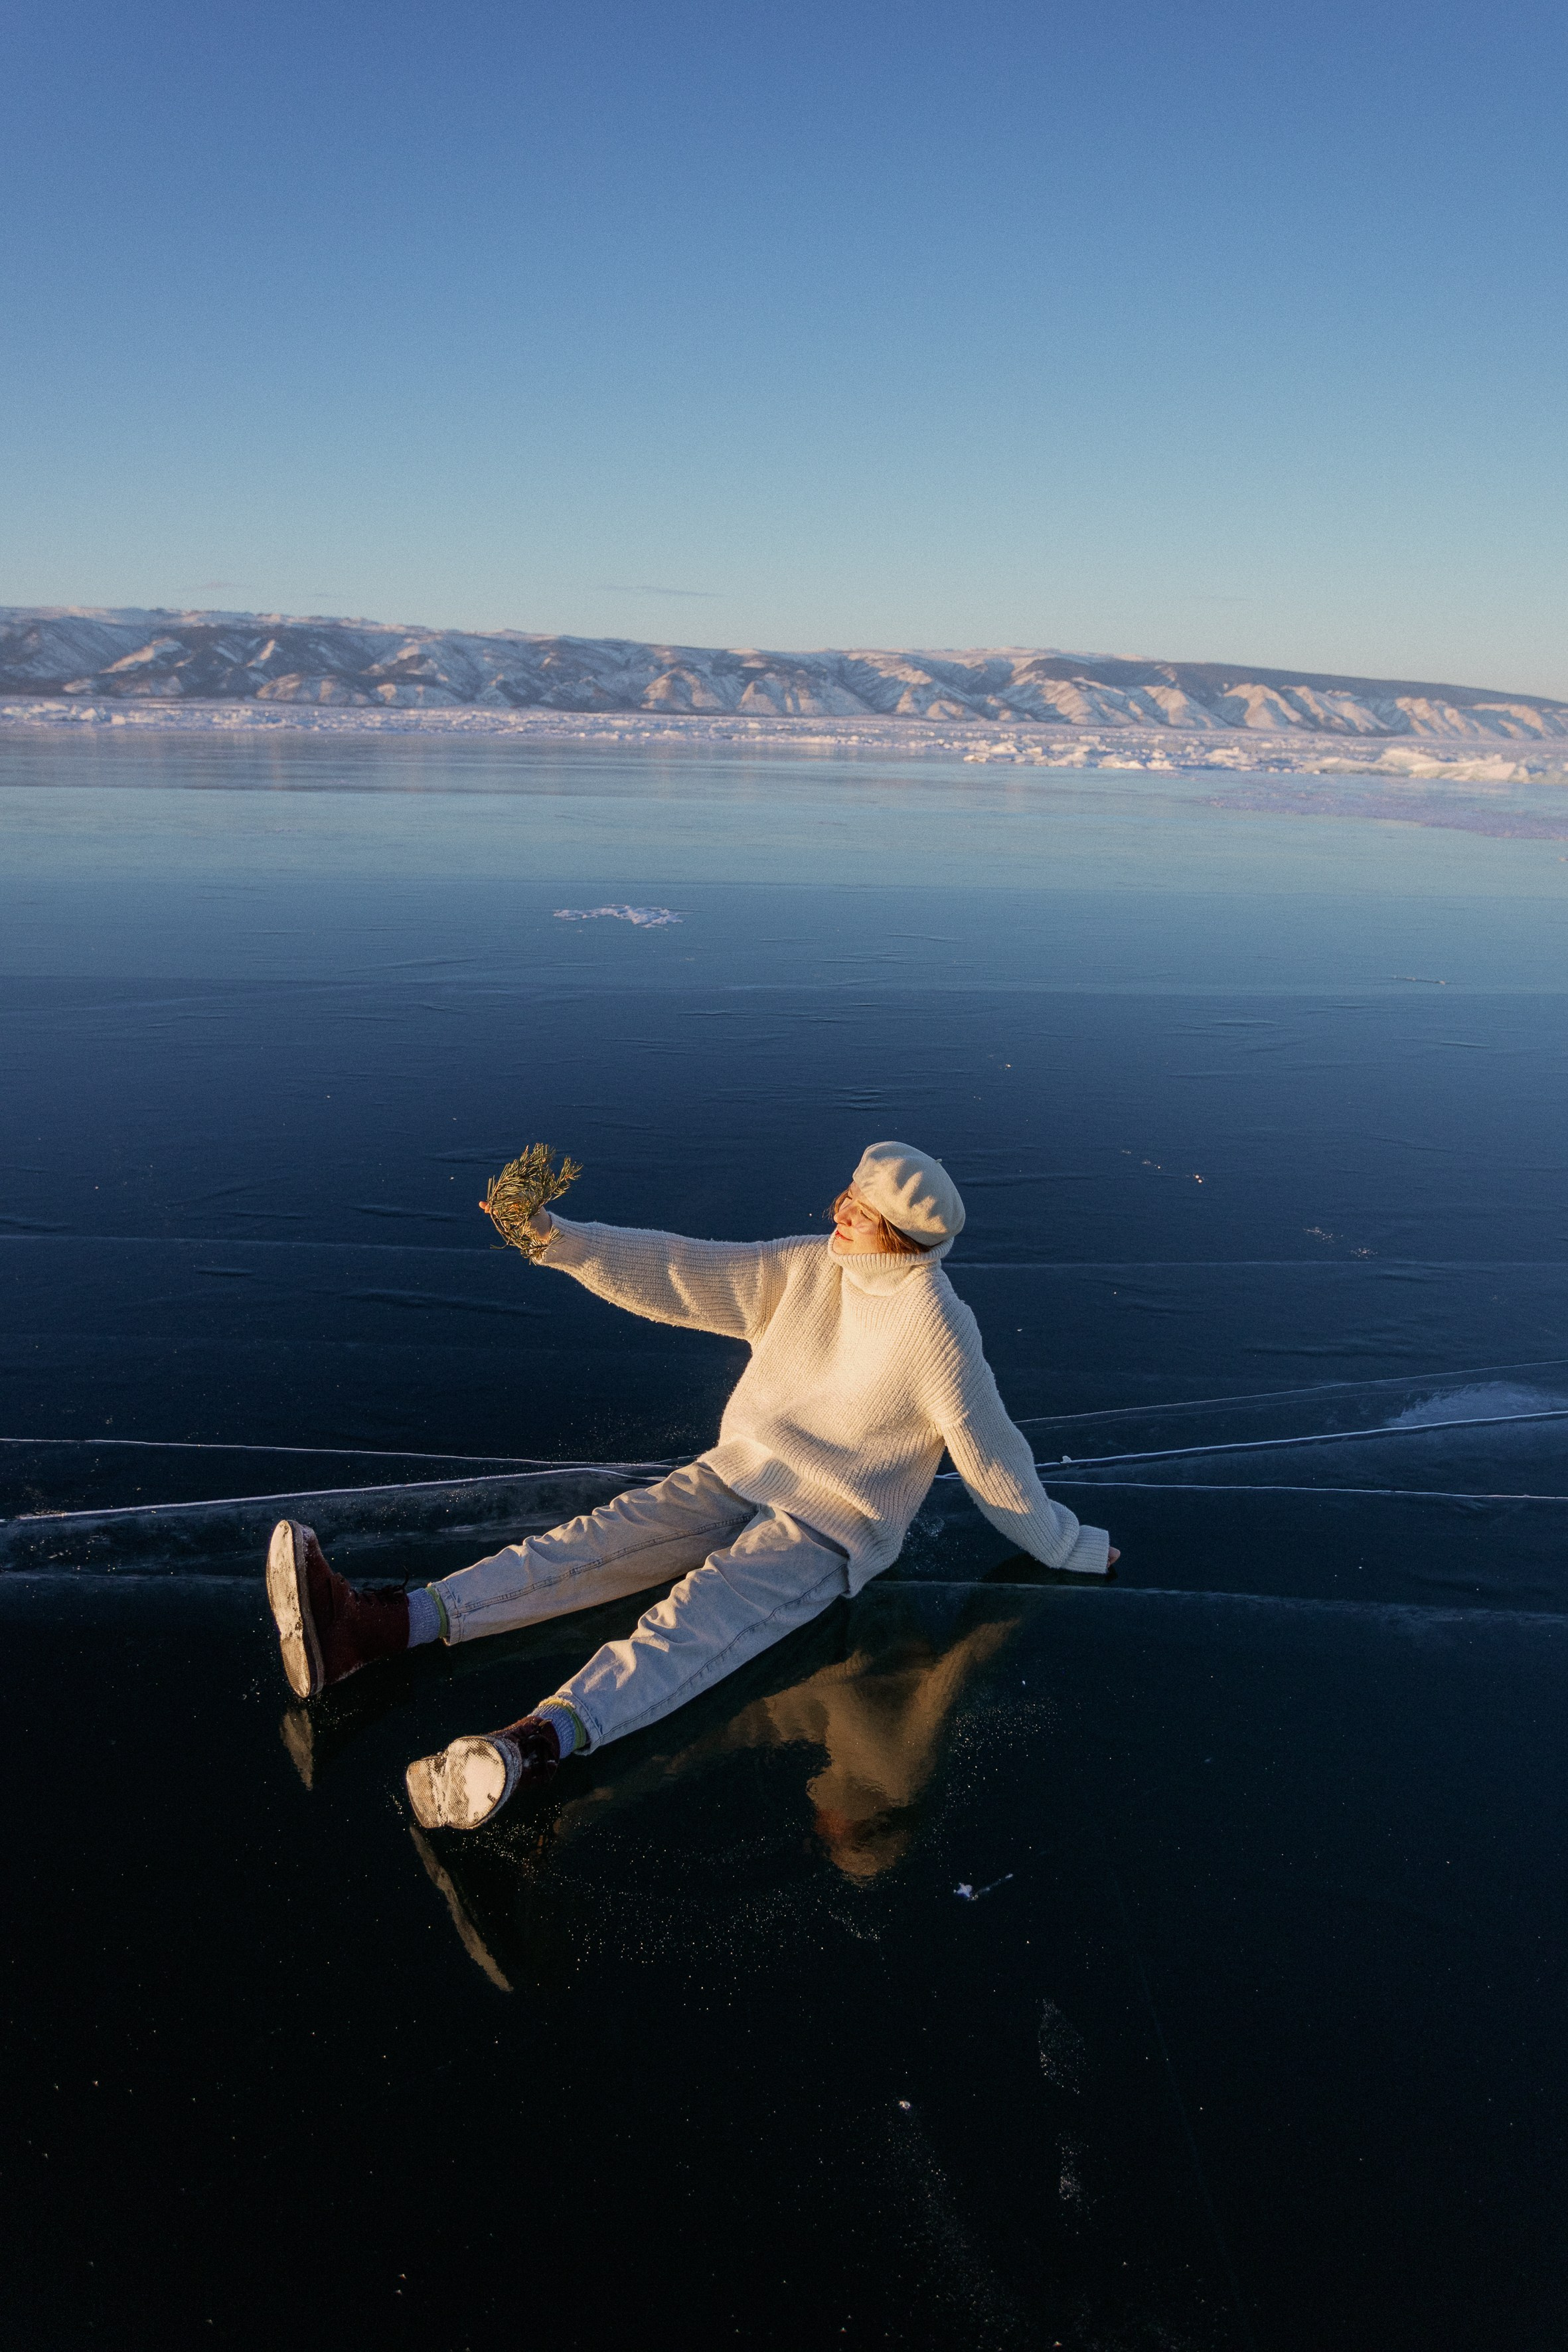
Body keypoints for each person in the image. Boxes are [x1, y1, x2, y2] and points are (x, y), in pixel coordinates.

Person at [265, 1140, 1117, 1831]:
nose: (840, 1212)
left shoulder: (938, 1332)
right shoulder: (814, 1266)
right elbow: (682, 1270)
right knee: (588, 1545)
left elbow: (993, 1458)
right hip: (742, 1469)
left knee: (691, 1627)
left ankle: (532, 1745)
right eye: (847, 1194)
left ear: (906, 1237)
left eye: (862, 1211)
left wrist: (1065, 1544)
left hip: (829, 1525)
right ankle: (374, 1628)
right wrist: (556, 1239)